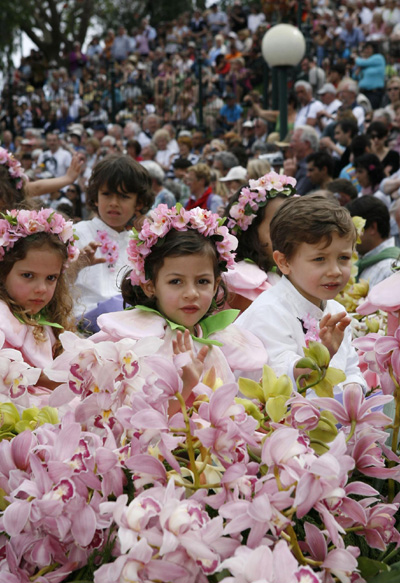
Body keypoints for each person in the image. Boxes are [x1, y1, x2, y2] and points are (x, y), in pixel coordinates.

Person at [91, 205, 269, 388]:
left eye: (202, 282)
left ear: (216, 285)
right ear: (150, 286)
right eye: (176, 282)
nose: (191, 294)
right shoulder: (132, 341)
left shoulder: (222, 338)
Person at [236, 195, 366, 395]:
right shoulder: (268, 312)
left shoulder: (336, 310)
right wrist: (322, 356)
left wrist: (353, 389)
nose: (335, 271)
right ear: (284, 262)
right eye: (319, 259)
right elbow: (279, 377)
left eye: (343, 258)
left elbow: (350, 369)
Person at [0, 208, 79, 391]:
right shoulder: (3, 321)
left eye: (51, 278)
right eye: (28, 275)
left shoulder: (48, 319)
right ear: (3, 274)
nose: (41, 289)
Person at [71, 155, 153, 326]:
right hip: (81, 324)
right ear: (95, 197)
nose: (113, 203)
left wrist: (152, 237)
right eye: (106, 194)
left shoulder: (141, 242)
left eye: (123, 196)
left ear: (139, 203)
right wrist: (76, 265)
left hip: (130, 326)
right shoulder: (77, 233)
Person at [223, 172, 297, 312]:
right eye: (279, 226)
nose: (291, 234)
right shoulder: (246, 281)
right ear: (250, 230)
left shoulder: (292, 273)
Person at [346, 196, 399, 287]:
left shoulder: (391, 269)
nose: (348, 237)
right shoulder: (362, 262)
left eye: (353, 230)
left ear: (373, 228)